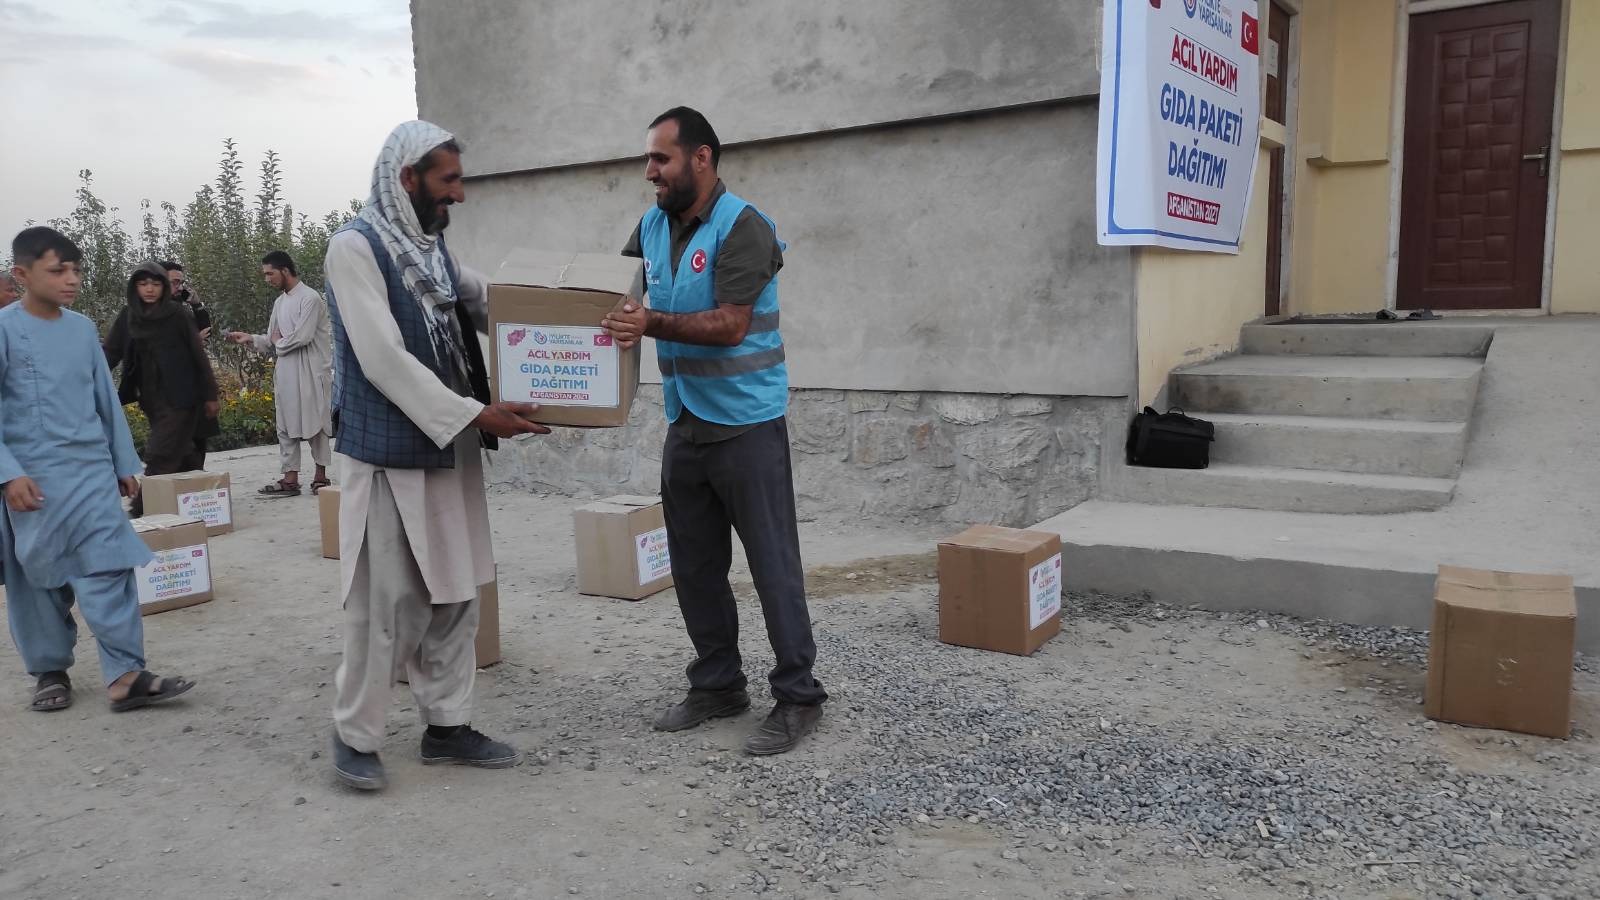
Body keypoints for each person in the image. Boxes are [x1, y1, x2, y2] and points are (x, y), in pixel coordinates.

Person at [322, 120, 550, 791]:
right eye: (448, 181)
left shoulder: (430, 250)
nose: (459, 195)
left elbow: (487, 301)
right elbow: (383, 359)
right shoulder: (355, 248)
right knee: (385, 604)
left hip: (449, 446)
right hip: (389, 455)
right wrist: (478, 413)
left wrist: (575, 319)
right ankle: (355, 735)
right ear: (407, 178)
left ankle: (447, 726)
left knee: (458, 590)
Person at [602, 107, 825, 756]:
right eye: (648, 159)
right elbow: (610, 298)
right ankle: (718, 684)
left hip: (746, 423)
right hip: (686, 420)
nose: (650, 172)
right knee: (695, 565)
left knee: (772, 564)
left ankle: (799, 695)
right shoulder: (651, 226)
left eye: (661, 158)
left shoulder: (743, 226)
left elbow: (731, 325)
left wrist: (648, 324)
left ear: (701, 158)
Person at [2, 226, 195, 712]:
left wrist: (123, 461)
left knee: (109, 564)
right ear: (21, 274)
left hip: (90, 470)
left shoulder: (82, 328)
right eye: (57, 270)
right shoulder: (4, 329)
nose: (71, 280)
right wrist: (8, 473)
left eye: (76, 270)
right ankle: (49, 669)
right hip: (33, 480)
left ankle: (125, 675)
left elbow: (104, 398)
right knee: (40, 576)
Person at [104, 262, 221, 517]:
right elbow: (111, 352)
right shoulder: (129, 315)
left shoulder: (176, 314)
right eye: (143, 284)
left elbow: (198, 355)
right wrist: (87, 377)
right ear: (134, 287)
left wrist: (210, 395)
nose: (149, 289)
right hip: (150, 398)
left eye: (155, 284)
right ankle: (200, 505)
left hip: (183, 396)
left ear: (163, 287)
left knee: (159, 453)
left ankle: (141, 509)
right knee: (183, 452)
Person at [227, 250, 334, 497]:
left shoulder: (310, 298)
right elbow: (271, 339)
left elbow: (303, 337)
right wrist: (250, 338)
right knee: (285, 424)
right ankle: (290, 478)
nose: (267, 279)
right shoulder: (280, 303)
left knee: (316, 423)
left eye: (270, 273)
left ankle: (320, 476)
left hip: (311, 371)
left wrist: (278, 342)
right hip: (286, 372)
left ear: (285, 270)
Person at [162, 261, 218, 467]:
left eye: (181, 282)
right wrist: (193, 343)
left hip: (195, 390)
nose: (179, 287)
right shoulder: (153, 312)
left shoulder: (179, 309)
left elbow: (205, 333)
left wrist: (197, 305)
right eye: (175, 282)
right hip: (172, 394)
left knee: (198, 446)